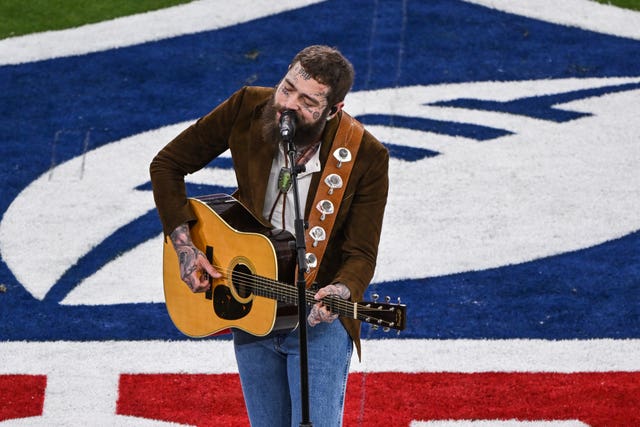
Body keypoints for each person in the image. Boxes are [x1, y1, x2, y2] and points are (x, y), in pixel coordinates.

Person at [150, 45, 389, 427]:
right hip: (254, 309)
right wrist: (185, 249)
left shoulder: (365, 157)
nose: (288, 105)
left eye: (308, 101)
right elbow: (167, 165)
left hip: (317, 320)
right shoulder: (248, 106)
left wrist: (343, 289)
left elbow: (361, 252)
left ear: (334, 111)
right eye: (287, 87)